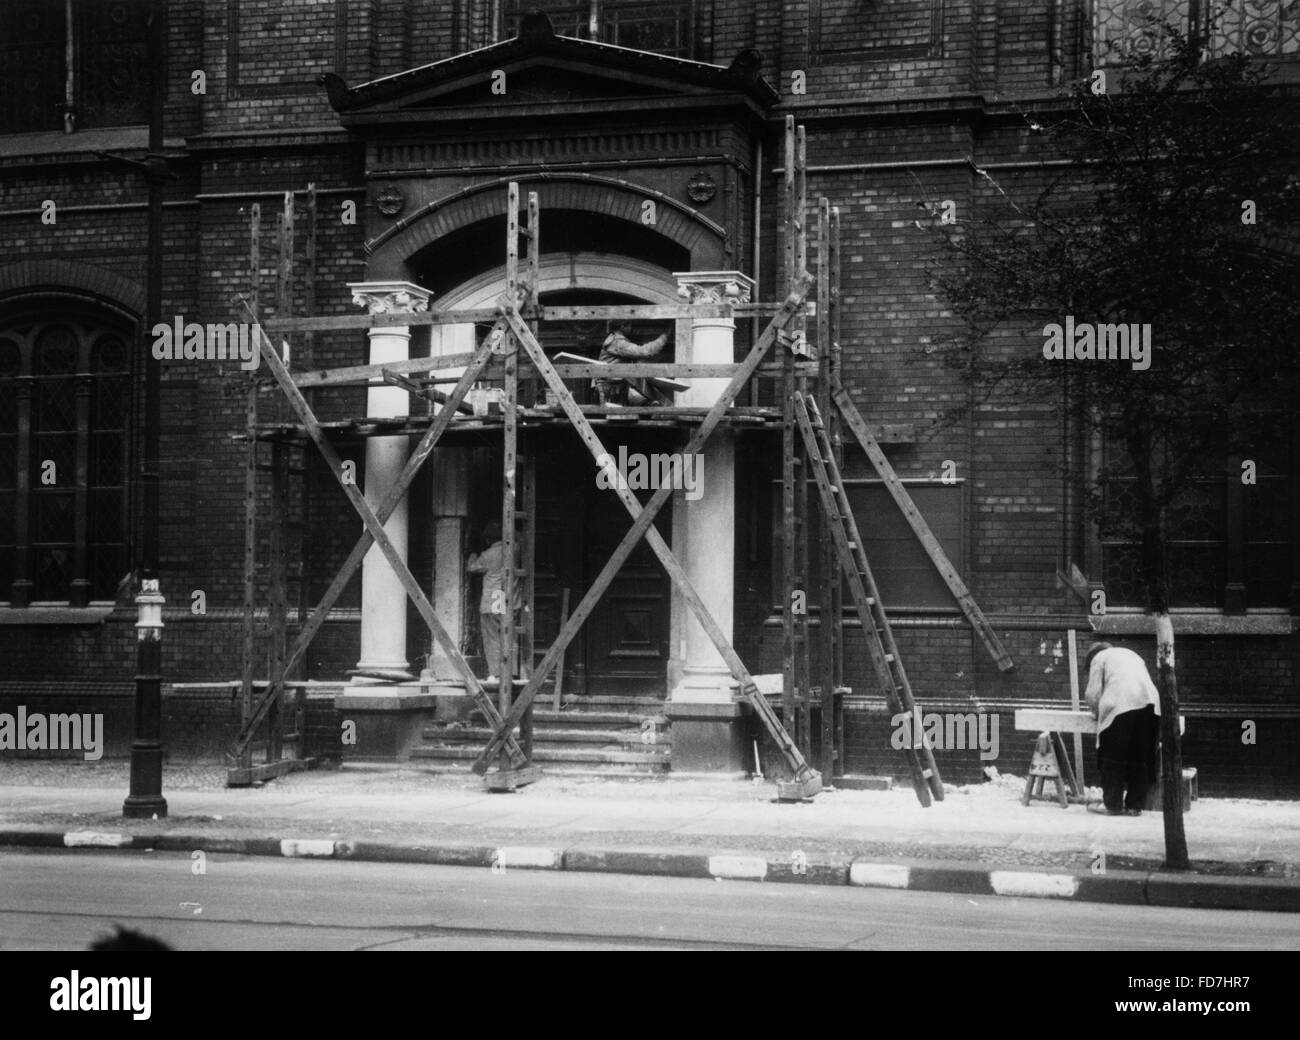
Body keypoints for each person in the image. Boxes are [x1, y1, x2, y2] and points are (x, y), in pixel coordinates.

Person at [1083, 641, 1161, 816]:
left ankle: (1112, 805)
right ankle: (1135, 806)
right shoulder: (1132, 654)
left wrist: (1096, 713)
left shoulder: (1099, 658)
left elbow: (1093, 693)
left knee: (1112, 757)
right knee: (1140, 757)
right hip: (1151, 705)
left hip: (1120, 704)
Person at [466, 521, 518, 685]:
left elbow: (471, 568)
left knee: (492, 637)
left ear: (488, 539)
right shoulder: (516, 549)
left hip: (493, 600)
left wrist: (473, 553)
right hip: (511, 600)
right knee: (510, 636)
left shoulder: (488, 555)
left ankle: (496, 674)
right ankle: (512, 673)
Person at [594, 320, 670, 406]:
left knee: (648, 403)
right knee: (618, 414)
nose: (631, 328)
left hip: (617, 387)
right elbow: (645, 351)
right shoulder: (618, 343)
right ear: (623, 326)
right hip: (610, 388)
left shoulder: (616, 340)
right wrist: (664, 336)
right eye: (630, 325)